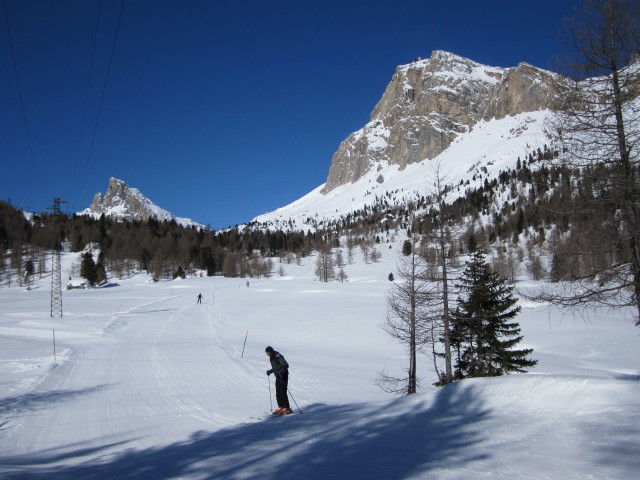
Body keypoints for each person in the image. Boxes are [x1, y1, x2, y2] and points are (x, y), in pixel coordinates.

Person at [265, 346, 292, 414]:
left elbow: (286, 365)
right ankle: (281, 406)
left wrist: (281, 372)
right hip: (278, 376)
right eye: (266, 354)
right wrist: (270, 371)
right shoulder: (271, 358)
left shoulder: (278, 356)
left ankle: (286, 407)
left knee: (283, 391)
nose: (267, 355)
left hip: (283, 375)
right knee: (278, 392)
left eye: (268, 353)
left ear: (271, 352)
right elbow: (275, 367)